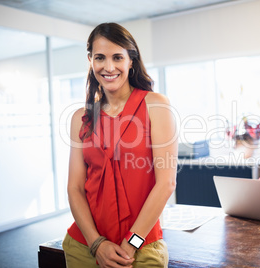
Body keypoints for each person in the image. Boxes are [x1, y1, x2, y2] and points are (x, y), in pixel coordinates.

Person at [62, 22, 178, 268]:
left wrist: (131, 244)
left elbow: (166, 183)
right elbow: (75, 188)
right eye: (100, 58)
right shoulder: (80, 118)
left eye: (117, 57)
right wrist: (97, 244)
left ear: (131, 61)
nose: (109, 66)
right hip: (85, 246)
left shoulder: (155, 105)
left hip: (140, 249)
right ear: (91, 61)